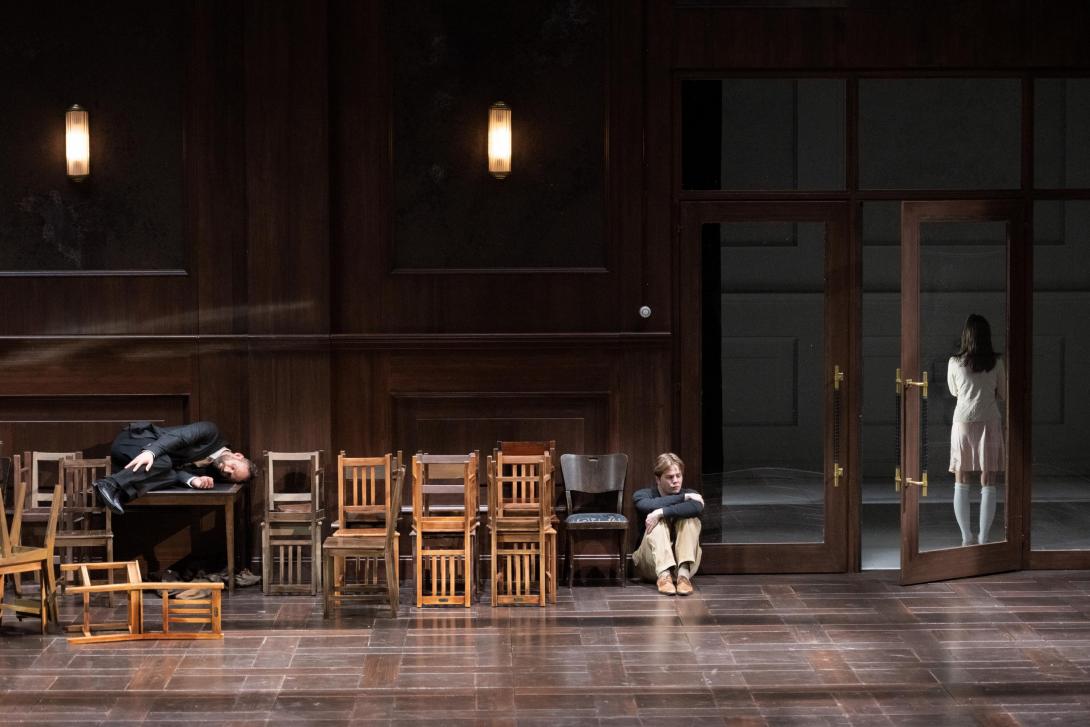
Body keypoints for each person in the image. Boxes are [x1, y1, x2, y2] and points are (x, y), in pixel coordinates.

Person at [93, 421, 253, 516]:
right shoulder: (211, 432)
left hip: (137, 467)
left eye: (229, 476)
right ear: (238, 455)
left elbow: (176, 473)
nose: (227, 471)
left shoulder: (212, 470)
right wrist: (151, 452)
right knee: (165, 463)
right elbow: (178, 437)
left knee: (171, 476)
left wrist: (193, 480)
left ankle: (118, 492)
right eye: (233, 467)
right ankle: (110, 484)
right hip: (132, 441)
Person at [947, 314, 1006, 546]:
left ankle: (966, 537)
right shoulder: (997, 363)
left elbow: (954, 391)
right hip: (989, 421)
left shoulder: (954, 362)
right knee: (988, 479)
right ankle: (984, 538)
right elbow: (1003, 393)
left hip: (962, 422)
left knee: (961, 478)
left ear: (966, 335)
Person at [632, 452, 703, 596]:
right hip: (651, 565)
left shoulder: (692, 494)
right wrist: (683, 498)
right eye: (670, 477)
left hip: (685, 566)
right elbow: (647, 506)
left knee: (690, 520)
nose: (676, 481)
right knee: (656, 521)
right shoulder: (642, 495)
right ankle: (664, 576)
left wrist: (661, 512)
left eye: (678, 476)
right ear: (658, 479)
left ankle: (683, 577)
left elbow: (697, 507)